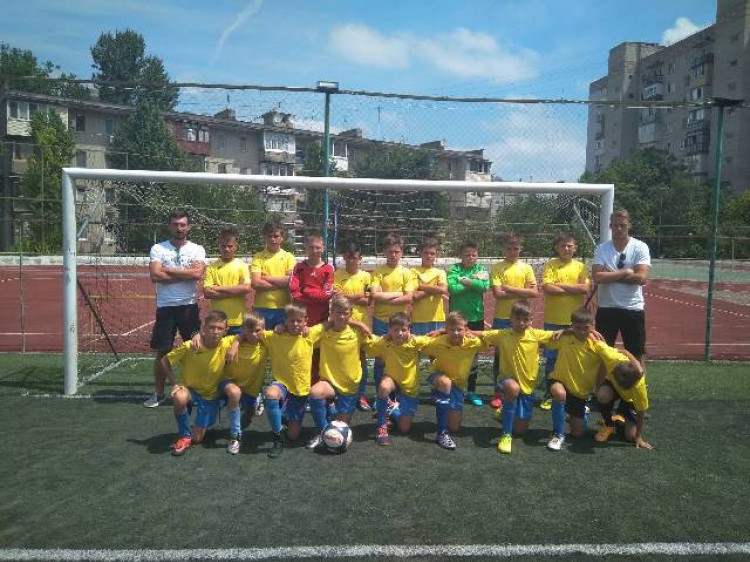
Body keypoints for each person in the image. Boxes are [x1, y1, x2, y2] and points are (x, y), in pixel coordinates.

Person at [543, 307, 639, 451]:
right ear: (572, 325)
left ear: (592, 325)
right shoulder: (564, 338)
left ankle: (582, 413)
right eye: (577, 327)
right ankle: (558, 434)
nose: (582, 331)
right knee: (559, 393)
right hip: (559, 382)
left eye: (586, 328)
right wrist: (565, 331)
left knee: (578, 433)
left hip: (580, 393)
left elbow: (620, 354)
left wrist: (638, 368)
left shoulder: (598, 344)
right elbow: (540, 338)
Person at [480, 300, 560, 455]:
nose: (521, 323)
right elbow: (478, 333)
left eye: (525, 319)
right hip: (507, 381)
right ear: (511, 318)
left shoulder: (536, 335)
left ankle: (505, 411)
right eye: (518, 319)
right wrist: (443, 331)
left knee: (521, 430)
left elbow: (559, 335)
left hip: (527, 387)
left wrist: (586, 331)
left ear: (531, 320)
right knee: (513, 388)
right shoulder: (502, 334)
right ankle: (506, 435)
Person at [144, 209, 206, 408]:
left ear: (188, 227)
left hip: (189, 306)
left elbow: (197, 274)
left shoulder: (197, 249)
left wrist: (168, 270)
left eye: (182, 225)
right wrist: (185, 274)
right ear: (169, 226)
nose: (179, 228)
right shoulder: (158, 248)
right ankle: (159, 393)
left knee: (194, 349)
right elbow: (155, 275)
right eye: (175, 224)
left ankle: (195, 391)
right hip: (166, 307)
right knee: (163, 350)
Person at [160, 310, 232, 456]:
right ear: (204, 328)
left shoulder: (226, 344)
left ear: (226, 331)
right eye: (212, 327)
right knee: (179, 397)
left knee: (198, 439)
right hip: (191, 390)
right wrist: (175, 384)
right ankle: (184, 436)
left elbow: (244, 335)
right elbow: (164, 361)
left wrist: (236, 344)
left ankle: (215, 408)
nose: (215, 332)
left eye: (220, 328)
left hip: (210, 395)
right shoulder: (190, 346)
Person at [306, 295, 370, 449]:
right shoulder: (324, 332)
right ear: (331, 312)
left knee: (341, 427)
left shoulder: (357, 332)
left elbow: (376, 343)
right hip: (329, 382)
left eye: (345, 313)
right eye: (338, 312)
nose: (342, 316)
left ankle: (331, 408)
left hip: (349, 386)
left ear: (351, 313)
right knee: (315, 392)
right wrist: (329, 323)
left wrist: (360, 324)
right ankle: (322, 432)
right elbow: (307, 335)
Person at [261, 304, 324, 458]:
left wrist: (360, 324)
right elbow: (252, 332)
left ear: (305, 321)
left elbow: (328, 324)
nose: (295, 324)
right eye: (291, 321)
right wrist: (236, 342)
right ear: (285, 321)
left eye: (299, 321)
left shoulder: (309, 334)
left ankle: (283, 417)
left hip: (299, 390)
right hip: (281, 384)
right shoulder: (275, 335)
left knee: (293, 436)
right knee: (271, 395)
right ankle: (277, 439)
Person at [539, 233, 590, 410]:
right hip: (553, 319)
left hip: (575, 321)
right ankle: (549, 394)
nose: (566, 248)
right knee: (552, 360)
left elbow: (584, 288)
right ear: (557, 248)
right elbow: (548, 288)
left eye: (569, 245)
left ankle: (574, 394)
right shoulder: (550, 265)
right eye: (563, 246)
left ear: (575, 248)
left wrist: (560, 285)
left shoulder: (581, 267)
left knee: (575, 358)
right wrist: (573, 288)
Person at [592, 209, 651, 361]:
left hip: (632, 307)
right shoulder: (602, 248)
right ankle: (603, 379)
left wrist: (609, 275)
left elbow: (641, 278)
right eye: (615, 225)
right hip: (606, 307)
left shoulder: (640, 247)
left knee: (636, 354)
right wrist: (625, 272)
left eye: (622, 225)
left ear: (629, 225)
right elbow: (597, 277)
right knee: (603, 353)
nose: (618, 229)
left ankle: (640, 378)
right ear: (610, 226)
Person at [490, 234, 539, 410]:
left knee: (521, 355)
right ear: (504, 249)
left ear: (521, 249)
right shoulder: (497, 267)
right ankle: (498, 392)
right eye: (509, 248)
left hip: (522, 318)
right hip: (502, 317)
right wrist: (523, 291)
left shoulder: (526, 268)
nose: (512, 252)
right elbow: (498, 294)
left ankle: (521, 389)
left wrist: (509, 288)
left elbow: (534, 293)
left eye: (516, 248)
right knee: (499, 355)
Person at [366, 313, 431, 446]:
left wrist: (441, 331)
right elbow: (365, 339)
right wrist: (360, 325)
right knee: (384, 387)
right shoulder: (383, 343)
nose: (400, 333)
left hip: (409, 386)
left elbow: (433, 339)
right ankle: (382, 427)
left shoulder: (415, 342)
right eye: (396, 330)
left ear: (409, 329)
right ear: (389, 330)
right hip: (392, 379)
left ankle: (391, 407)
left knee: (404, 428)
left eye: (404, 330)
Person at [423, 312, 485, 450]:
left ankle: (441, 396)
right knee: (445, 384)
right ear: (446, 329)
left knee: (455, 427)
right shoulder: (438, 342)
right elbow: (419, 342)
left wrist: (473, 333)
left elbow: (492, 339)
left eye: (459, 329)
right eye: (451, 329)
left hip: (457, 385)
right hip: (438, 377)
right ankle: (441, 433)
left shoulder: (473, 343)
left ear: (466, 329)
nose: (456, 333)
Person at [370, 233, 414, 396]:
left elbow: (409, 297)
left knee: (399, 357)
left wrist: (385, 296)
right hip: (381, 321)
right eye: (390, 251)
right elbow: (375, 296)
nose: (393, 255)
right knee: (380, 358)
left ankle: (398, 393)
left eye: (396, 251)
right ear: (385, 252)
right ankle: (380, 394)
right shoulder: (378, 272)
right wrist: (399, 294)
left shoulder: (406, 273)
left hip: (400, 323)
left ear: (401, 252)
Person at [446, 241, 489, 406]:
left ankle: (471, 391)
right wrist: (473, 280)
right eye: (467, 255)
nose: (471, 258)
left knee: (473, 355)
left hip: (476, 317)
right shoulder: (454, 269)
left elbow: (484, 287)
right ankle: (455, 389)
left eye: (474, 255)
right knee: (454, 353)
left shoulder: (482, 268)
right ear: (461, 256)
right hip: (456, 319)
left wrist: (464, 281)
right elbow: (453, 289)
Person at [219, 313, 268, 454]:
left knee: (248, 417)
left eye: (257, 330)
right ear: (242, 329)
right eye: (249, 330)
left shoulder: (266, 344)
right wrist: (197, 336)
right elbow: (210, 339)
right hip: (228, 383)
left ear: (264, 329)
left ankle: (256, 400)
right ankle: (235, 436)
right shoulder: (231, 341)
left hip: (250, 389)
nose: (253, 334)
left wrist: (280, 327)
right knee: (234, 393)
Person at [333, 242, 373, 411]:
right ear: (344, 257)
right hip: (343, 322)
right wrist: (358, 296)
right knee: (342, 358)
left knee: (361, 359)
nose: (351, 261)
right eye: (348, 257)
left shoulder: (366, 276)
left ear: (360, 258)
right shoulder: (337, 275)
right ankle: (339, 393)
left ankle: (361, 395)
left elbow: (368, 300)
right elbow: (337, 300)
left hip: (362, 323)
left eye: (355, 258)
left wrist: (348, 297)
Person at [594, 357, 652, 449]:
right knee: (602, 395)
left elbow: (641, 414)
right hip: (614, 389)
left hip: (630, 400)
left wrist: (638, 437)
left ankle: (619, 418)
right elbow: (620, 351)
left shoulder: (639, 390)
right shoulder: (612, 357)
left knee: (631, 437)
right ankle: (609, 424)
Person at [203, 225, 251, 337]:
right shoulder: (212, 267)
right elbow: (207, 293)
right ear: (219, 246)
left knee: (236, 348)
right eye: (223, 246)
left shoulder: (242, 266)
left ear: (236, 246)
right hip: (217, 321)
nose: (226, 249)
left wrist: (218, 288)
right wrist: (236, 291)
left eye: (230, 246)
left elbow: (245, 288)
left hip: (238, 321)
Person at [250, 220, 296, 330]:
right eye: (269, 236)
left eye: (276, 236)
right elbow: (256, 283)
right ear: (264, 237)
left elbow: (290, 281)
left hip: (283, 307)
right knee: (261, 338)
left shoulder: (289, 257)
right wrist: (282, 283)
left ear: (282, 237)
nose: (272, 239)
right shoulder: (258, 257)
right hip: (262, 307)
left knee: (280, 339)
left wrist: (265, 278)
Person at [289, 232, 334, 326]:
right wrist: (316, 294)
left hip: (321, 317)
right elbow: (293, 291)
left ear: (323, 248)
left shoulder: (328, 269)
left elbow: (326, 295)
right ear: (306, 247)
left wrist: (305, 291)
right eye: (311, 247)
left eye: (317, 247)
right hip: (301, 317)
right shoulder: (298, 267)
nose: (314, 250)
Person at [411, 237, 448, 336]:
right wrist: (435, 288)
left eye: (432, 253)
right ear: (420, 254)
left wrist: (422, 287)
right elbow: (415, 295)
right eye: (426, 253)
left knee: (436, 345)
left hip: (437, 318)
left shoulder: (440, 272)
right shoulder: (413, 271)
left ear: (436, 255)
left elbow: (443, 290)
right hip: (418, 318)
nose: (429, 256)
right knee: (419, 345)